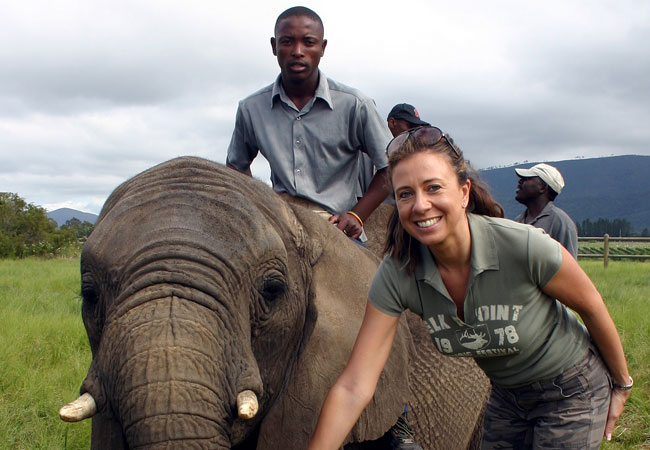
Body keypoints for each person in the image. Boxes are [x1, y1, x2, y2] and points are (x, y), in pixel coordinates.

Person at [308, 125, 631, 450]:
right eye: (405, 194)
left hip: (570, 388)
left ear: (463, 193)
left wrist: (621, 383)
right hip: (506, 396)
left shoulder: (522, 246)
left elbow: (590, 305)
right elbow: (354, 386)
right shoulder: (399, 272)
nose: (420, 205)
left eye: (433, 188)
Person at [226, 6, 392, 242]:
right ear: (274, 47)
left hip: (337, 231)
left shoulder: (355, 104)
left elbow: (391, 166)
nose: (297, 51)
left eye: (308, 42)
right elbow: (235, 168)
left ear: (322, 48)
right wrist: (257, 211)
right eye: (287, 42)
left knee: (363, 279)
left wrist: (357, 215)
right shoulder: (251, 109)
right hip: (278, 229)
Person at [514, 163, 579, 259]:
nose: (520, 181)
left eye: (527, 178)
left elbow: (570, 266)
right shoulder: (518, 221)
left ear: (543, 187)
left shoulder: (561, 223)